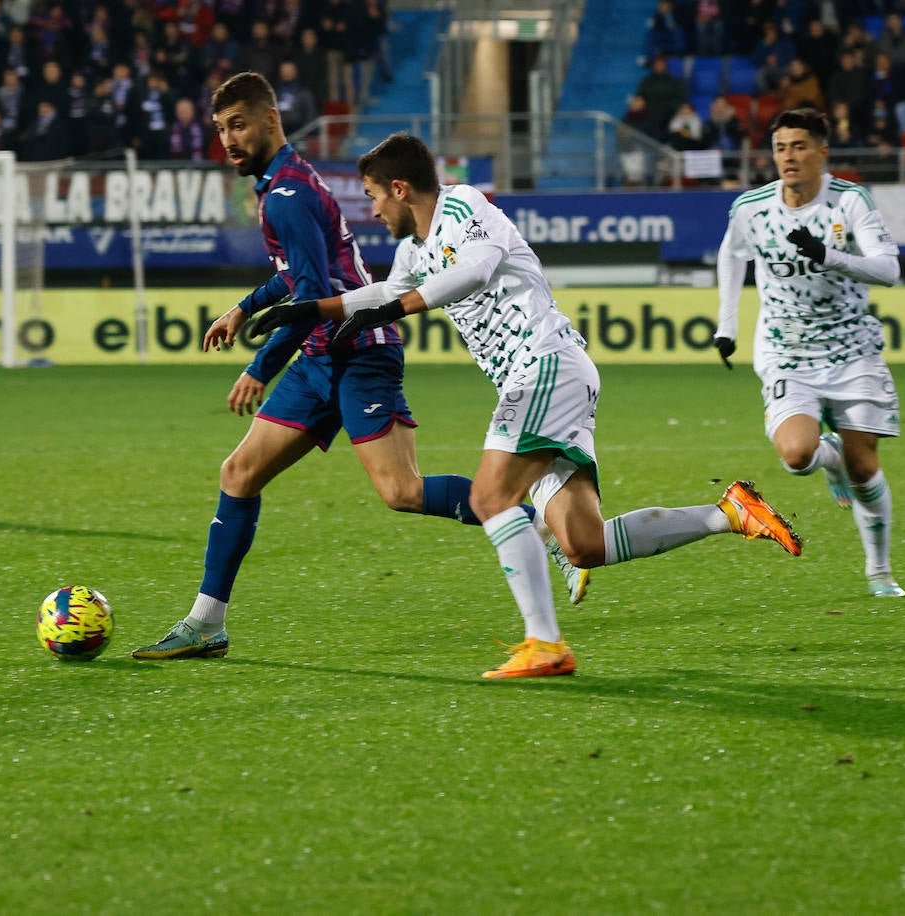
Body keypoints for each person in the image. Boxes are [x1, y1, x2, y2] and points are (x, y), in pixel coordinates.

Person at [250, 132, 803, 679]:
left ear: (399, 188)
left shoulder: (463, 204)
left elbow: (476, 270)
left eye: (373, 196)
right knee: (584, 543)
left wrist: (397, 309)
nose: (370, 211)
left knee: (492, 497)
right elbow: (380, 292)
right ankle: (729, 513)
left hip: (544, 366)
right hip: (549, 379)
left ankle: (545, 644)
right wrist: (310, 309)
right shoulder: (410, 252)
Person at [131, 73, 587, 664]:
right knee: (239, 473)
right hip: (323, 352)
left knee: (400, 491)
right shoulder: (281, 185)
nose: (228, 140)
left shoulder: (288, 196)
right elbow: (295, 277)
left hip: (358, 349)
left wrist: (261, 366)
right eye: (221, 129)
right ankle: (206, 623)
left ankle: (529, 519)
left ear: (271, 121)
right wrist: (244, 308)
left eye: (238, 125)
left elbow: (314, 288)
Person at [712, 108, 904, 599]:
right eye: (780, 148)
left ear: (823, 151)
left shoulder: (850, 201)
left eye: (799, 146)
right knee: (797, 456)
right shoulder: (752, 207)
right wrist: (727, 326)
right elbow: (732, 255)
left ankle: (878, 571)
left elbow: (888, 270)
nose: (788, 157)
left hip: (851, 347)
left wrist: (827, 256)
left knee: (865, 468)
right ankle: (827, 457)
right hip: (786, 349)